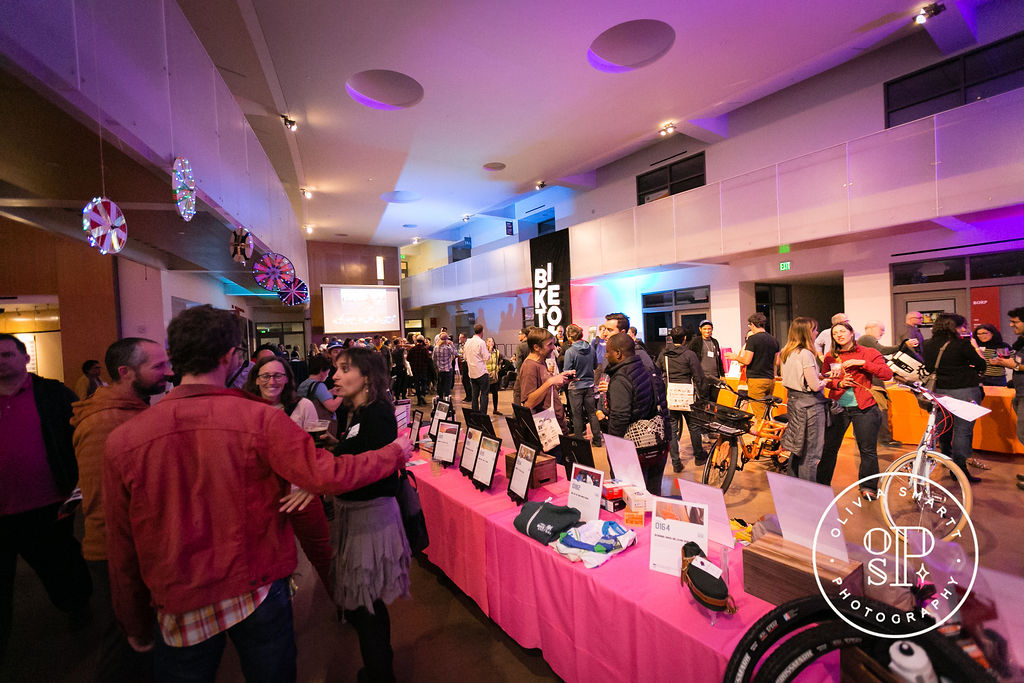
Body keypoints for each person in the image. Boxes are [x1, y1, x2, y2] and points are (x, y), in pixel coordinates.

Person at [103, 305, 410, 682]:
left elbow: (120, 543)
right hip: (257, 588)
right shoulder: (261, 419)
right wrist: (394, 454)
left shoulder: (124, 440)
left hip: (179, 599)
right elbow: (326, 474)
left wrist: (133, 622)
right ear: (230, 356)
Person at [70, 337, 171, 682]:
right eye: (158, 366)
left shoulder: (127, 412)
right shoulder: (106, 423)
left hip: (132, 548)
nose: (169, 372)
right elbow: (102, 507)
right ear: (126, 372)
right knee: (125, 645)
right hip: (115, 553)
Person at [0, 334, 92, 666]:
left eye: (7, 354)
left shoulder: (53, 394)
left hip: (47, 502)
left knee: (61, 565)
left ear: (24, 359)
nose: (1, 361)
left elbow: (79, 436)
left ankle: (78, 608)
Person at [331, 347, 409, 683]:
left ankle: (380, 673)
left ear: (367, 377)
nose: (335, 376)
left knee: (368, 605)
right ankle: (380, 668)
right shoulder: (359, 412)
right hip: (358, 517)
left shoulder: (376, 413)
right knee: (366, 605)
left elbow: (367, 469)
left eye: (344, 368)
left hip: (371, 519)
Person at [243, 355, 335, 595]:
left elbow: (315, 451)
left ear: (287, 379)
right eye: (265, 375)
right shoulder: (247, 410)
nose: (271, 381)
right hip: (264, 498)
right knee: (269, 557)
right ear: (256, 379)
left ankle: (342, 602)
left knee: (321, 550)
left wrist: (310, 487)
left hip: (300, 493)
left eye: (278, 375)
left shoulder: (302, 406)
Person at [817, 321, 893, 499]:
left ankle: (868, 487)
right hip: (838, 407)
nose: (839, 335)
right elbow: (824, 378)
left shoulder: (868, 353)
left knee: (867, 450)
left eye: (843, 331)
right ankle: (821, 484)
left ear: (851, 333)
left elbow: (886, 374)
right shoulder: (830, 356)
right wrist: (838, 383)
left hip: (864, 406)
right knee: (829, 448)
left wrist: (862, 363)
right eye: (835, 333)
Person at [922, 313, 986, 484]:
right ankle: (959, 468)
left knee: (944, 427)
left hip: (940, 391)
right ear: (954, 326)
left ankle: (945, 459)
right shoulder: (962, 344)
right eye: (962, 326)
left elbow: (928, 367)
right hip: (964, 390)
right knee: (963, 430)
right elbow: (981, 364)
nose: (964, 329)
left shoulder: (927, 344)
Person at [604, 332, 667, 495]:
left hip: (633, 448)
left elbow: (619, 417)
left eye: (608, 351)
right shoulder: (647, 369)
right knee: (653, 494)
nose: (606, 355)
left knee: (631, 497)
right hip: (657, 441)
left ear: (618, 353)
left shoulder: (621, 378)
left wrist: (613, 445)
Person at [778, 318, 826, 482]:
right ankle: (808, 497)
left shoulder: (786, 351)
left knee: (797, 449)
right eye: (814, 329)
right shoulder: (805, 353)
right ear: (806, 332)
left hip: (794, 403)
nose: (817, 333)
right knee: (811, 454)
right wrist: (826, 381)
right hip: (810, 406)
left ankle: (794, 491)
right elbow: (814, 385)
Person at [656, 326, 706, 473]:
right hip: (687, 394)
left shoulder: (664, 354)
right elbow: (698, 376)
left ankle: (676, 462)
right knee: (694, 426)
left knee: (672, 428)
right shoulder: (690, 354)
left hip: (670, 394)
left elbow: (656, 371)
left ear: (671, 338)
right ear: (685, 339)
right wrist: (703, 395)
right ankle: (699, 456)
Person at [518, 327, 573, 454]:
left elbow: (545, 390)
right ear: (536, 347)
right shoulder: (530, 367)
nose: (553, 347)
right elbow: (528, 402)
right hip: (548, 430)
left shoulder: (541, 362)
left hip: (556, 428)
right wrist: (550, 382)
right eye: (550, 344)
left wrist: (561, 380)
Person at [987, 308, 1024, 490]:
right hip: (1020, 391)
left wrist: (1009, 364)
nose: (1011, 325)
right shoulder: (1020, 342)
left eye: (1015, 322)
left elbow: (1019, 364)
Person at [858, 321, 902, 448]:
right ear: (871, 328)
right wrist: (903, 346)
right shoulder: (867, 338)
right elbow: (883, 350)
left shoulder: (864, 341)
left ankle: (878, 438)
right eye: (881, 329)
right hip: (873, 381)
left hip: (870, 380)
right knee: (881, 408)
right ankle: (885, 439)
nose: (883, 332)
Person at [563, 324, 602, 447]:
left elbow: (567, 371)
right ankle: (597, 440)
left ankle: (580, 444)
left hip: (575, 387)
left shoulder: (570, 352)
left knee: (577, 415)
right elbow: (595, 366)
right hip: (589, 385)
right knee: (592, 413)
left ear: (569, 337)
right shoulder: (591, 348)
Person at [727, 312, 780, 401]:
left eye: (749, 325)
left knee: (759, 409)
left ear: (752, 324)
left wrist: (735, 357)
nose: (750, 327)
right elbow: (777, 362)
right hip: (770, 379)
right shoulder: (774, 340)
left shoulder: (752, 339)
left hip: (756, 380)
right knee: (766, 407)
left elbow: (747, 360)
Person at [296, 355, 344, 436]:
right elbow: (332, 407)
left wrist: (330, 392)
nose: (328, 375)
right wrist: (343, 393)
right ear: (322, 370)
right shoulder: (319, 385)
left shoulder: (304, 384)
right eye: (327, 373)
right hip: (321, 427)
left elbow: (313, 396)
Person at [688, 320, 725, 403]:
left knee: (714, 401)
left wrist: (722, 374)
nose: (707, 331)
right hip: (702, 377)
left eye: (709, 329)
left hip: (715, 377)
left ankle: (712, 416)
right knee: (702, 401)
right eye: (704, 329)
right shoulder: (696, 342)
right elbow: (689, 357)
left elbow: (719, 359)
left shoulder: (715, 341)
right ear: (700, 329)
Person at [464, 324, 490, 414]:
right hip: (481, 372)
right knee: (484, 394)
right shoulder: (481, 342)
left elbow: (465, 357)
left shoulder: (467, 342)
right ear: (482, 331)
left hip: (472, 373)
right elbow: (486, 357)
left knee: (474, 395)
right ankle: (483, 416)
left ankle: (475, 415)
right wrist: (489, 350)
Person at [406, 336, 433, 406]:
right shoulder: (425, 350)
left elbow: (408, 358)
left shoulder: (412, 349)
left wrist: (413, 362)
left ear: (417, 341)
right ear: (423, 341)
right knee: (424, 383)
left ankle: (418, 399)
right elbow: (428, 359)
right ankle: (423, 395)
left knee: (416, 384)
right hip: (423, 369)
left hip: (415, 369)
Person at [432, 333, 456, 402]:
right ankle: (447, 399)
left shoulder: (436, 347)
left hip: (440, 369)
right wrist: (452, 345)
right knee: (447, 385)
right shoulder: (448, 348)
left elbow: (434, 359)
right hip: (448, 368)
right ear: (446, 339)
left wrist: (436, 367)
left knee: (440, 384)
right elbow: (455, 353)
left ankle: (440, 399)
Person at [484, 337, 505, 415]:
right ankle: (484, 410)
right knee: (485, 393)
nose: (491, 343)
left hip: (494, 375)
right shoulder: (484, 352)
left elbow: (500, 360)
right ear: (486, 343)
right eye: (489, 341)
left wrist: (498, 368)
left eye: (492, 341)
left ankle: (495, 409)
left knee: (495, 392)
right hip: (485, 374)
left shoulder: (496, 352)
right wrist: (488, 351)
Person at [456, 333, 472, 404]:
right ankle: (467, 396)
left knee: (466, 380)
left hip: (467, 363)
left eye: (460, 337)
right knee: (464, 381)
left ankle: (470, 397)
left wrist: (463, 353)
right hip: (462, 363)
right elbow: (459, 353)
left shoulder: (468, 344)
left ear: (464, 338)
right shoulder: (461, 345)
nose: (459, 339)